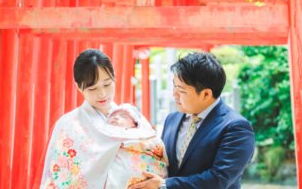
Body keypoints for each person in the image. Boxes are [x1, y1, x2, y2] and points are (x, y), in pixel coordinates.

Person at [40, 49, 169, 189]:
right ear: (79, 87)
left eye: (107, 84)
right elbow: (59, 177)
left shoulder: (131, 119)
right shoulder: (69, 124)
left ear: (114, 77)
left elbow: (155, 154)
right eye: (92, 88)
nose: (102, 94)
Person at [130, 51, 255, 189]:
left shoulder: (236, 127)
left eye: (181, 90)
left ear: (206, 94)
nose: (174, 94)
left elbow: (220, 178)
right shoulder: (172, 119)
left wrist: (165, 185)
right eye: (174, 86)